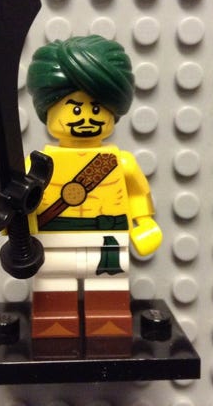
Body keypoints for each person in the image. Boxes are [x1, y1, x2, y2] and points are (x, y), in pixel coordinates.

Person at [26, 35, 162, 339]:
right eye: (75, 109)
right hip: (54, 239)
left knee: (109, 286)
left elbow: (137, 192)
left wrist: (144, 222)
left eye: (97, 109)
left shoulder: (121, 162)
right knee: (53, 285)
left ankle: (108, 327)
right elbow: (21, 201)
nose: (87, 118)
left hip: (108, 238)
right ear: (47, 110)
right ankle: (54, 327)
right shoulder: (36, 165)